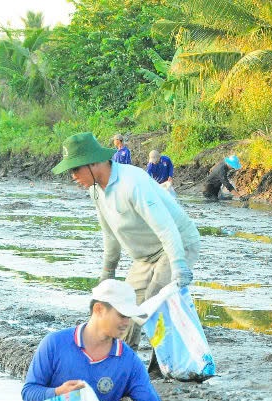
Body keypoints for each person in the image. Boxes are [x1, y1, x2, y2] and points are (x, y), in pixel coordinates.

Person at [52, 132, 199, 350]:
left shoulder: (132, 183)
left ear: (93, 163)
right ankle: (124, 357)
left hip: (176, 244)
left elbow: (166, 227)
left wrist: (178, 265)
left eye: (75, 169)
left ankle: (166, 363)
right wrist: (107, 273)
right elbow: (110, 233)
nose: (73, 176)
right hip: (145, 256)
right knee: (124, 307)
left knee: (154, 302)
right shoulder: (96, 190)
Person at [22, 279, 190, 401]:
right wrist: (57, 393)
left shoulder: (129, 362)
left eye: (129, 317)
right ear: (99, 309)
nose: (127, 323)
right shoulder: (54, 344)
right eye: (122, 315)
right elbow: (29, 392)